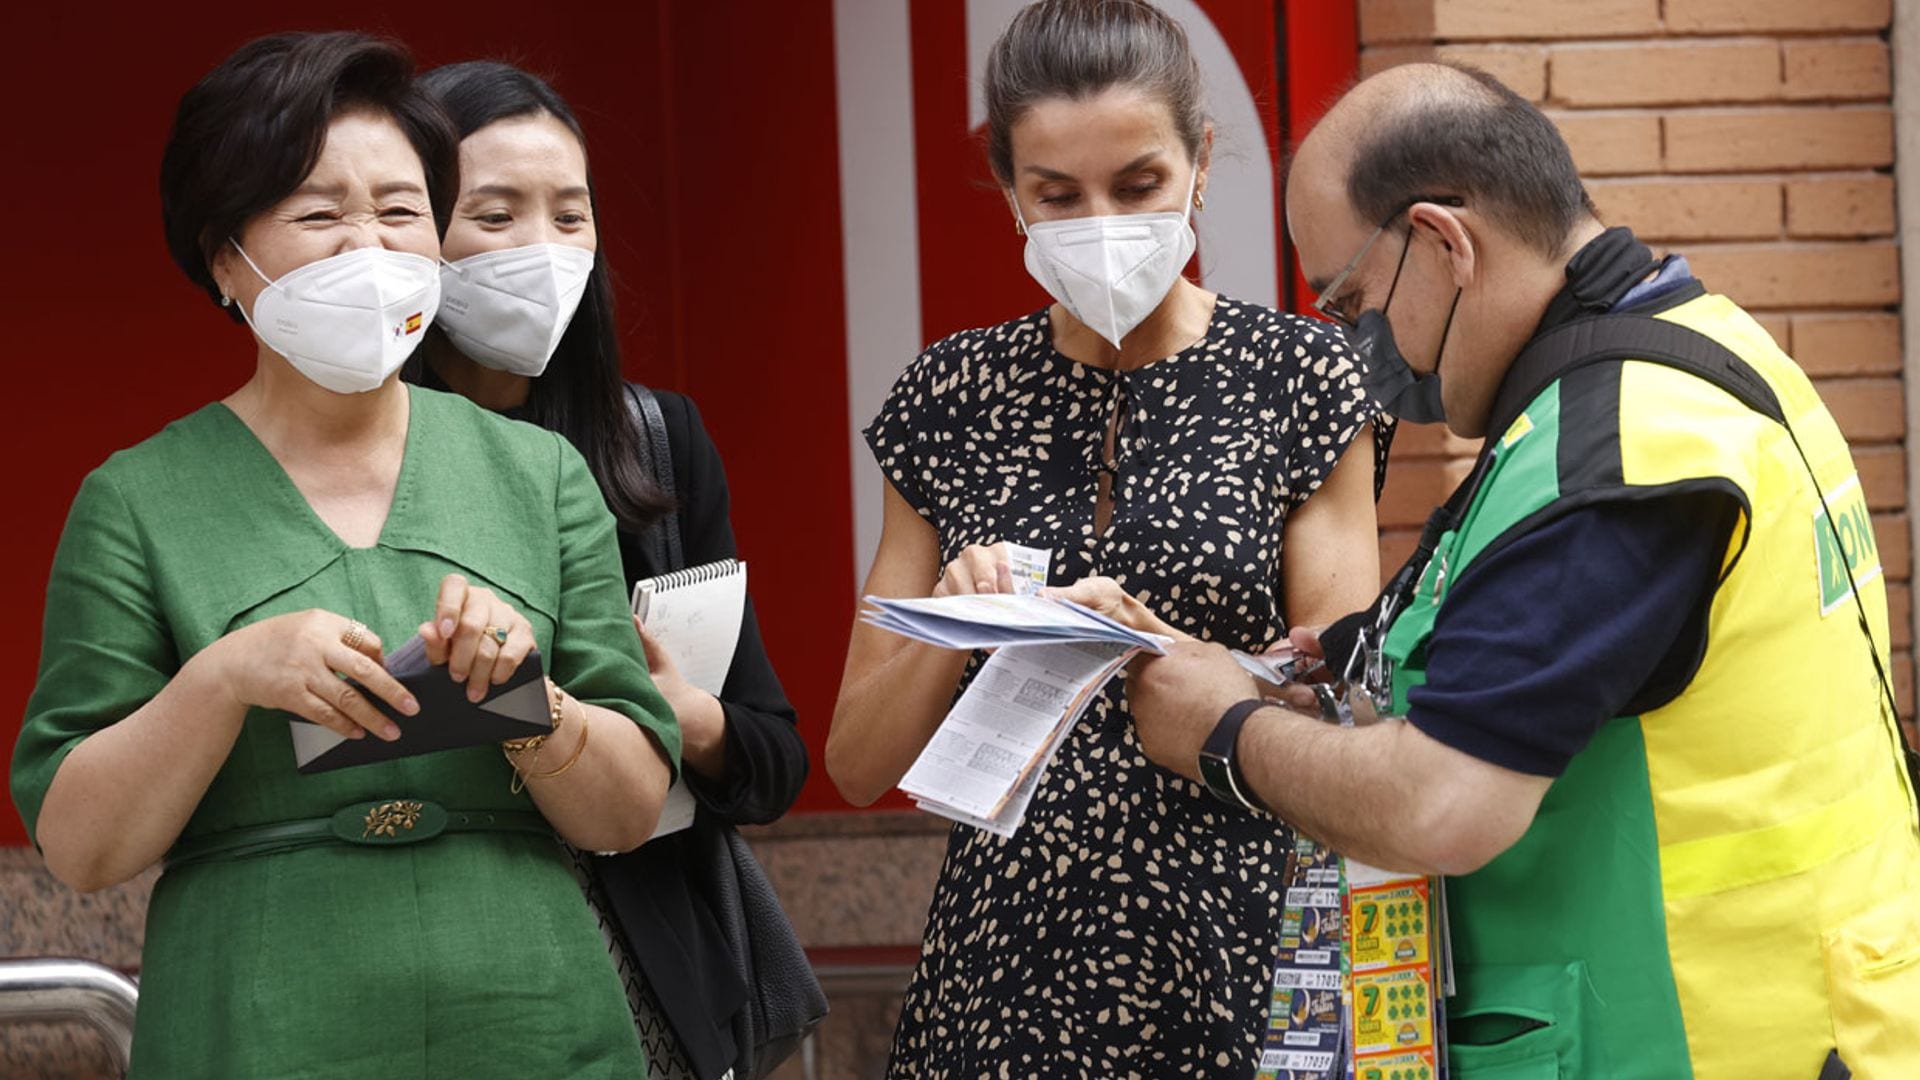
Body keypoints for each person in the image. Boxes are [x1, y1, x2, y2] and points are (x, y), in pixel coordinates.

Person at [1128, 61, 1920, 1077]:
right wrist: (1351, 650)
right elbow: (1572, 629)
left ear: (1444, 242)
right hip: (1809, 1012)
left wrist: (1222, 732)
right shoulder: (1694, 348)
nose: (1356, 342)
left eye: (1354, 299)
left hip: (1702, 1037)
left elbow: (1443, 805)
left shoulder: (1615, 453)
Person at [10, 33, 680, 1077]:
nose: (369, 246)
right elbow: (80, 844)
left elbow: (631, 808)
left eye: (402, 210)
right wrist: (226, 677)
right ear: (227, 257)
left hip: (528, 1015)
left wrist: (531, 705)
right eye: (321, 214)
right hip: (259, 1018)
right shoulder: (137, 500)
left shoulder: (540, 475)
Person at [827, 1, 1390, 1073]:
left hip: (1239, 936)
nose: (1101, 222)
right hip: (1002, 963)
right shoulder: (950, 393)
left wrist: (1173, 653)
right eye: (1057, 195)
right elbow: (857, 763)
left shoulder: (1304, 377)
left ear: (1201, 162)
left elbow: (1342, 707)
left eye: (1137, 186)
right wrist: (960, 623)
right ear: (1009, 193)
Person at [408, 61, 808, 1080]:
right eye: (494, 215)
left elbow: (770, 755)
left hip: (640, 963)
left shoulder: (653, 443)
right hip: (426, 956)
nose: (540, 250)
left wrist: (685, 717)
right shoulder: (356, 466)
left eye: (570, 215)